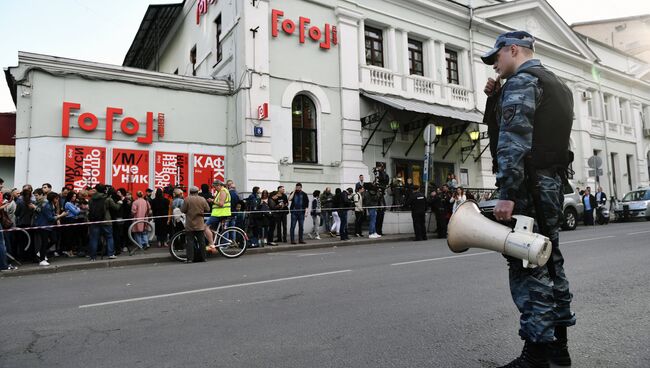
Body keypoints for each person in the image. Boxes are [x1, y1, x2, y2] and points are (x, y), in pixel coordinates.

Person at [482, 30, 576, 367]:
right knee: (551, 261)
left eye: (497, 57)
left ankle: (536, 355)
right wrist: (495, 99)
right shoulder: (557, 84)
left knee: (527, 265)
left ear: (513, 50)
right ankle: (558, 350)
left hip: (528, 188)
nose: (494, 65)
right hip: (550, 186)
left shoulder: (522, 83)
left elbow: (514, 141)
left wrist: (507, 193)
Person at [88, 184, 122, 261]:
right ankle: (111, 254)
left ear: (96, 190)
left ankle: (93, 257)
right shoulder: (107, 198)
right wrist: (120, 202)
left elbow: (89, 210)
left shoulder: (91, 199)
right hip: (106, 220)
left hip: (95, 221)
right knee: (109, 237)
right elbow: (116, 207)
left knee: (94, 239)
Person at [33, 190, 67, 266]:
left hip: (48, 226)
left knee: (54, 239)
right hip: (43, 226)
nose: (58, 200)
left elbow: (52, 215)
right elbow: (50, 218)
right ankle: (42, 260)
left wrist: (58, 215)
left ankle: (40, 252)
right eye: (56, 198)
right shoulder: (47, 206)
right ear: (53, 199)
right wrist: (61, 215)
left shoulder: (51, 204)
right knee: (44, 242)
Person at [181, 186, 210, 263]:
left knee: (190, 241)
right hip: (200, 223)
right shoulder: (202, 199)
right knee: (202, 241)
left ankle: (190, 259)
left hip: (190, 223)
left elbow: (183, 210)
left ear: (190, 192)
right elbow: (208, 209)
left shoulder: (187, 199)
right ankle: (204, 258)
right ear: (197, 192)